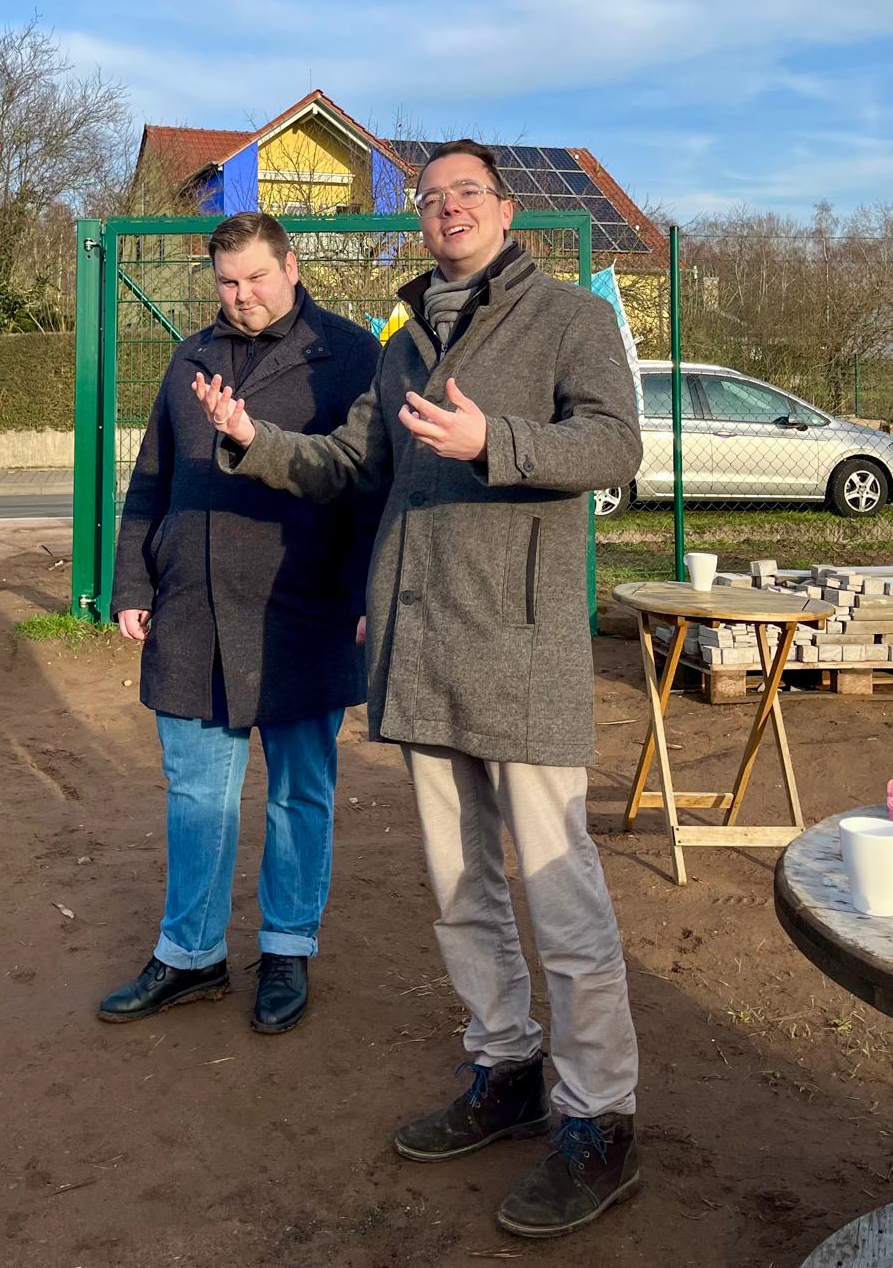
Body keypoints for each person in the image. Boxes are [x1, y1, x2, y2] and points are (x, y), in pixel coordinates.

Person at [192, 141, 645, 1238]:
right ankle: (506, 1067)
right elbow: (351, 463)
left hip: (521, 647)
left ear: (506, 209)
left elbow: (615, 445)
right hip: (425, 647)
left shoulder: (571, 319)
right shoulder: (403, 345)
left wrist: (498, 440)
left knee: (561, 895)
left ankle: (601, 1117)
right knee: (458, 888)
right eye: (432, 198)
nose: (447, 210)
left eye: (465, 193)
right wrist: (253, 438)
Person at [100, 211, 380, 1035]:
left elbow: (368, 487)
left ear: (291, 267)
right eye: (227, 281)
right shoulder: (190, 356)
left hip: (303, 607)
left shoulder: (349, 355)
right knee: (197, 793)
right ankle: (190, 955)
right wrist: (133, 579)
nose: (242, 295)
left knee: (301, 789)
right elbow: (150, 477)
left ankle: (288, 948)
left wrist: (368, 590)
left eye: (257, 277)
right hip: (192, 606)